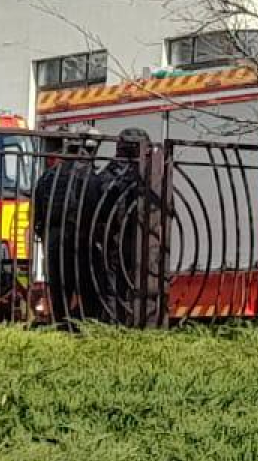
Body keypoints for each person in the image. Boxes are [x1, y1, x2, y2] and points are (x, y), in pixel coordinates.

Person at [90, 129, 168, 327]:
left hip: (115, 238)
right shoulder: (151, 173)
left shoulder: (108, 175)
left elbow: (94, 207)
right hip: (142, 240)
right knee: (142, 284)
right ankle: (140, 324)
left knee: (114, 285)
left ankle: (116, 325)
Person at [29, 134, 104, 327]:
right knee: (88, 287)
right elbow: (96, 210)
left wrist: (45, 234)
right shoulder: (88, 176)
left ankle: (61, 325)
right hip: (80, 239)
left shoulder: (47, 177)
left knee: (59, 288)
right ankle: (87, 327)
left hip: (53, 240)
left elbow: (37, 213)